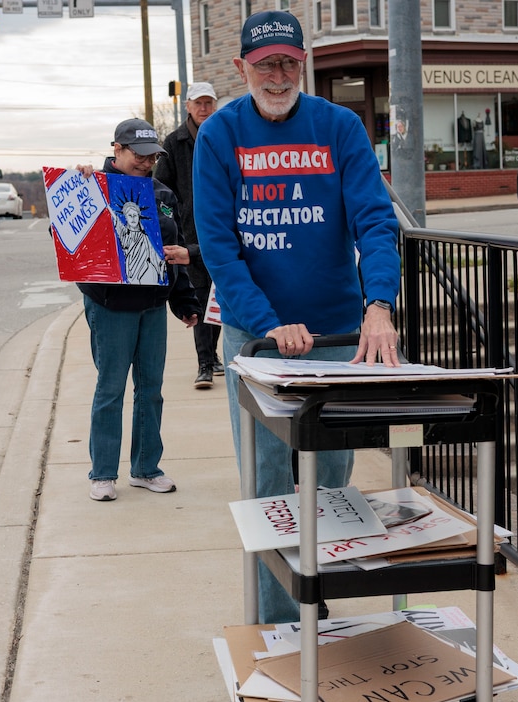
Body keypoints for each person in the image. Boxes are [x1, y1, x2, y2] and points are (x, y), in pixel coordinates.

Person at [192, 10, 401, 623]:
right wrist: (266, 322)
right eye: (265, 65)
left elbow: (373, 220)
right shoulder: (219, 135)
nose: (278, 76)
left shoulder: (339, 127)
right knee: (266, 485)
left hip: (336, 335)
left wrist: (379, 305)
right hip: (256, 342)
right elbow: (219, 246)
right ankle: (283, 628)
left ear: (302, 63)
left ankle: (326, 610)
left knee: (332, 482)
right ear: (242, 69)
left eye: (288, 62)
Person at [76, 118, 203, 502]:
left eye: (153, 156)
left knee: (151, 390)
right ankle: (102, 473)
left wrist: (184, 300)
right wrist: (78, 186)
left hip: (152, 305)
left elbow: (173, 252)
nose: (147, 162)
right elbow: (68, 237)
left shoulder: (162, 194)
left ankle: (146, 468)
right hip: (110, 304)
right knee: (110, 388)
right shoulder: (92, 187)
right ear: (117, 149)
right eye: (139, 155)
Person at [154, 81, 223, 390]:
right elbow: (160, 188)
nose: (204, 108)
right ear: (188, 107)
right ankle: (205, 363)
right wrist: (172, 220)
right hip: (189, 232)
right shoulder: (174, 142)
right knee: (200, 295)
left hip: (221, 227)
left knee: (218, 296)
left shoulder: (224, 135)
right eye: (199, 103)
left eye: (209, 103)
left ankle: (213, 355)